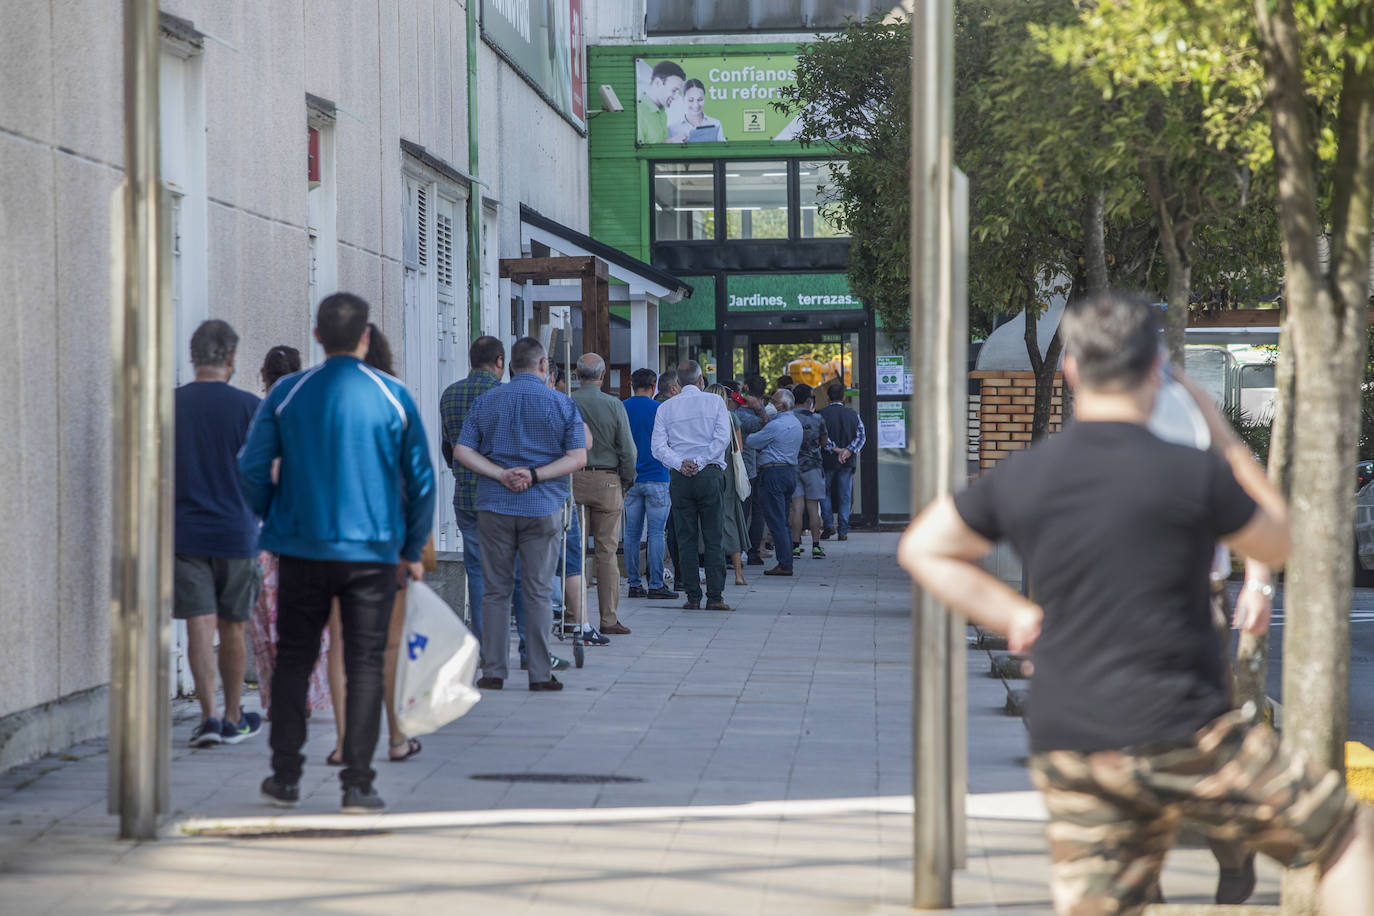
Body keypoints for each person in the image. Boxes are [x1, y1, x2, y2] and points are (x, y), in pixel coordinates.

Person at [898, 291, 1374, 916]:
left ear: (1070, 370)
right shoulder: (1191, 472)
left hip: (1075, 743)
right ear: (1157, 368)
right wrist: (1219, 432)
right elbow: (1280, 540)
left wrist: (1014, 615)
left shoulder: (1027, 474)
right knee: (1344, 835)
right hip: (1187, 732)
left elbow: (924, 548)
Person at [239, 292, 435, 813]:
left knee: (294, 659)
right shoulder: (393, 396)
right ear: (366, 336)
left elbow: (252, 469)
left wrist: (273, 514)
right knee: (366, 660)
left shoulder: (286, 393)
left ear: (318, 335)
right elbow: (421, 479)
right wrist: (412, 546)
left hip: (300, 547)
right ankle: (358, 782)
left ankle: (285, 776)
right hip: (371, 553)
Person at [455, 337, 587, 692]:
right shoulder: (562, 404)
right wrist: (536, 475)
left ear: (510, 366)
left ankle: (494, 670)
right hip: (542, 507)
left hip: (494, 506)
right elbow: (578, 457)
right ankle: (540, 673)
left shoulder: (487, 401)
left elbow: (462, 450)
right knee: (538, 591)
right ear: (544, 366)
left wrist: (499, 474)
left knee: (495, 591)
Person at [174, 320, 265, 748]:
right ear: (231, 358)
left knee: (198, 623)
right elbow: (267, 471)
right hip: (237, 531)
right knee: (233, 626)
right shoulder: (249, 407)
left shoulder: (167, 406)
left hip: (185, 532)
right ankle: (233, 716)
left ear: (194, 357)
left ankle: (207, 717)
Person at [247, 345, 335, 728]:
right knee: (309, 618)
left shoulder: (258, 416)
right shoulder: (312, 415)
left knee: (266, 622)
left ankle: (278, 697)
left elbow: (253, 471)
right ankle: (308, 693)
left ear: (262, 376)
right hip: (309, 531)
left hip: (265, 533)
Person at [439, 336, 506, 648]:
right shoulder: (503, 395)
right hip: (500, 496)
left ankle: (482, 639)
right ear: (500, 362)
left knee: (477, 570)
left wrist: (459, 471)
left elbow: (447, 447)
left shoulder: (449, 394)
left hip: (465, 494)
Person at [652, 360, 733, 611]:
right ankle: (716, 596)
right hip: (709, 473)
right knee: (713, 536)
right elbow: (722, 439)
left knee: (684, 537)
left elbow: (657, 447)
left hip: (680, 478)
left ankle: (692, 596)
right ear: (701, 381)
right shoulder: (715, 402)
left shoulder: (666, 408)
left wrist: (681, 463)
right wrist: (699, 461)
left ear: (677, 383)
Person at [571, 353, 637, 636]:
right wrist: (626, 480)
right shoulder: (614, 405)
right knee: (606, 553)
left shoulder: (566, 402)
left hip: (571, 479)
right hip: (608, 480)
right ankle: (608, 619)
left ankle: (574, 616)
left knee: (571, 551)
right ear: (602, 375)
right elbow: (628, 450)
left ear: (576, 373)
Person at [622, 368, 675, 600]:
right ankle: (655, 584)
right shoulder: (661, 410)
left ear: (631, 384)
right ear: (654, 385)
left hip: (631, 479)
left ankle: (634, 584)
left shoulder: (622, 407)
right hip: (658, 476)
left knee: (632, 534)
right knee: (655, 533)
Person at [745, 389, 802, 577]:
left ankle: (785, 564)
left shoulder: (776, 426)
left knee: (776, 521)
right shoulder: (795, 423)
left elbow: (752, 441)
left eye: (774, 401)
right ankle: (786, 561)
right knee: (782, 519)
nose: (771, 404)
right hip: (789, 472)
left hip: (773, 473)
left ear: (783, 406)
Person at [706, 383, 752, 587]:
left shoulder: (704, 419)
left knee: (707, 521)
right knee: (730, 519)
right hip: (729, 474)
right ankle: (739, 574)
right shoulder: (731, 417)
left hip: (708, 470)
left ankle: (709, 573)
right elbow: (739, 449)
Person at [818, 381, 864, 541]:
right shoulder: (853, 414)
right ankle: (843, 530)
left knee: (825, 493)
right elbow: (861, 436)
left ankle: (829, 524)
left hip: (827, 460)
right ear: (844, 397)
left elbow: (821, 436)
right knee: (845, 496)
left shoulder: (821, 414)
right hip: (847, 462)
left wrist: (834, 449)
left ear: (828, 397)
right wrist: (848, 450)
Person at [788, 383, 829, 560]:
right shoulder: (818, 419)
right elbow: (825, 442)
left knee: (796, 507)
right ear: (808, 400)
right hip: (813, 466)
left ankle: (795, 546)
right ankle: (816, 546)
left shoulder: (788, 418)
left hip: (793, 465)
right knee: (813, 508)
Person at [735, 375, 771, 565]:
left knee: (743, 512)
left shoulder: (740, 414)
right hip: (751, 470)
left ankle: (741, 551)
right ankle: (752, 551)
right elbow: (766, 422)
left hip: (747, 470)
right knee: (754, 512)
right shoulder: (749, 416)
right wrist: (759, 407)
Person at [637, 59, 686, 144]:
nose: (676, 97)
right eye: (674, 90)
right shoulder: (638, 112)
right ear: (658, 83)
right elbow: (636, 153)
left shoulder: (662, 112)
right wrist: (670, 142)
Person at [669, 78, 726, 143]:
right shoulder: (672, 129)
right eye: (691, 100)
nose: (696, 105)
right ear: (683, 99)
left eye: (700, 100)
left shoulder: (715, 124)